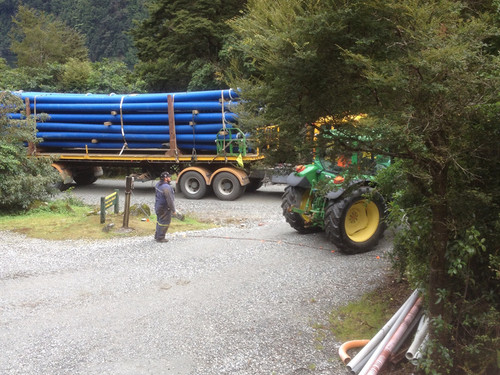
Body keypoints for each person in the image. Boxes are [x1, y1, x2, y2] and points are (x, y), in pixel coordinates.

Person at [154, 171, 176, 242]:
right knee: (165, 222)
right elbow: (170, 200)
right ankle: (160, 238)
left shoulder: (158, 184)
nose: (170, 178)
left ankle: (157, 235)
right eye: (169, 177)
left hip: (158, 206)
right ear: (165, 178)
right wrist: (173, 210)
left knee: (159, 221)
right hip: (164, 208)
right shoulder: (166, 187)